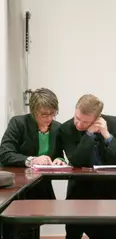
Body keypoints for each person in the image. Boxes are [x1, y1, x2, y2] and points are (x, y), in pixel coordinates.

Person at [59, 94, 116, 239]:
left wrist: (106, 135)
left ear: (98, 118)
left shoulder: (115, 124)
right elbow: (76, 161)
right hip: (85, 190)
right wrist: (88, 133)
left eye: (86, 122)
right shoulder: (66, 129)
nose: (79, 124)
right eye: (77, 118)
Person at [0, 87, 65, 238]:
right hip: (17, 186)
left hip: (41, 186)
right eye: (44, 114)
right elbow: (4, 153)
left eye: (52, 113)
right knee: (17, 227)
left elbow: (59, 155)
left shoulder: (57, 128)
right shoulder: (18, 123)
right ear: (33, 112)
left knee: (35, 223)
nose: (49, 118)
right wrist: (31, 160)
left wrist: (59, 161)